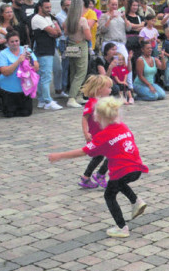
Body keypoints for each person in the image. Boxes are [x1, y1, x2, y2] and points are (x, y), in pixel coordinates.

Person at [47, 97, 149, 238]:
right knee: (118, 184)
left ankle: (122, 227)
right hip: (136, 168)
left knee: (109, 195)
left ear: (98, 117)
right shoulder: (123, 127)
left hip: (121, 171)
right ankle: (136, 202)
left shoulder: (103, 136)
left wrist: (59, 156)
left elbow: (83, 151)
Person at [75, 75, 112, 189]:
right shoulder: (92, 103)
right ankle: (100, 174)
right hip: (97, 136)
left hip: (105, 134)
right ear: (99, 89)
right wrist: (86, 133)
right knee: (112, 155)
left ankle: (86, 178)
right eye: (109, 87)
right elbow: (84, 118)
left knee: (99, 157)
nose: (111, 90)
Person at [30, 0, 64, 111]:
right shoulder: (37, 18)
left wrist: (55, 29)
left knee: (43, 75)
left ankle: (42, 100)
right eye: (46, 7)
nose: (49, 9)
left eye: (50, 7)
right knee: (46, 76)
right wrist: (54, 30)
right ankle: (47, 100)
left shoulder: (48, 18)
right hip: (43, 50)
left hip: (50, 48)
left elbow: (58, 33)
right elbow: (54, 32)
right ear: (40, 8)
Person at [0, 33, 35, 118]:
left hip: (24, 89)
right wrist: (18, 61)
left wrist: (30, 61)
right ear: (7, 43)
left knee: (26, 113)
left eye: (17, 41)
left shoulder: (26, 50)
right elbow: (5, 72)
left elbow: (36, 67)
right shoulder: (3, 54)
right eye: (12, 42)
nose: (15, 43)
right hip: (8, 89)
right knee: (9, 114)